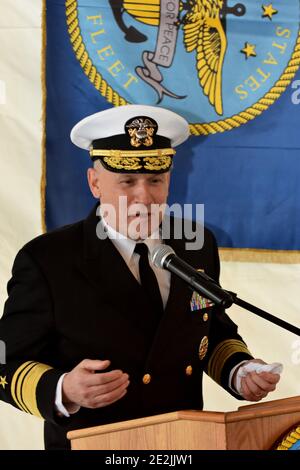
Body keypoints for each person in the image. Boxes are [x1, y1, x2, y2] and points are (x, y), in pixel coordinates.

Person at [0, 105, 281, 450]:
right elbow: (5, 360)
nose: (143, 197)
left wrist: (239, 371)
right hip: (97, 445)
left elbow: (210, 331)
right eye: (127, 181)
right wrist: (63, 388)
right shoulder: (48, 260)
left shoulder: (196, 245)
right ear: (94, 183)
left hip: (182, 444)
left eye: (155, 180)